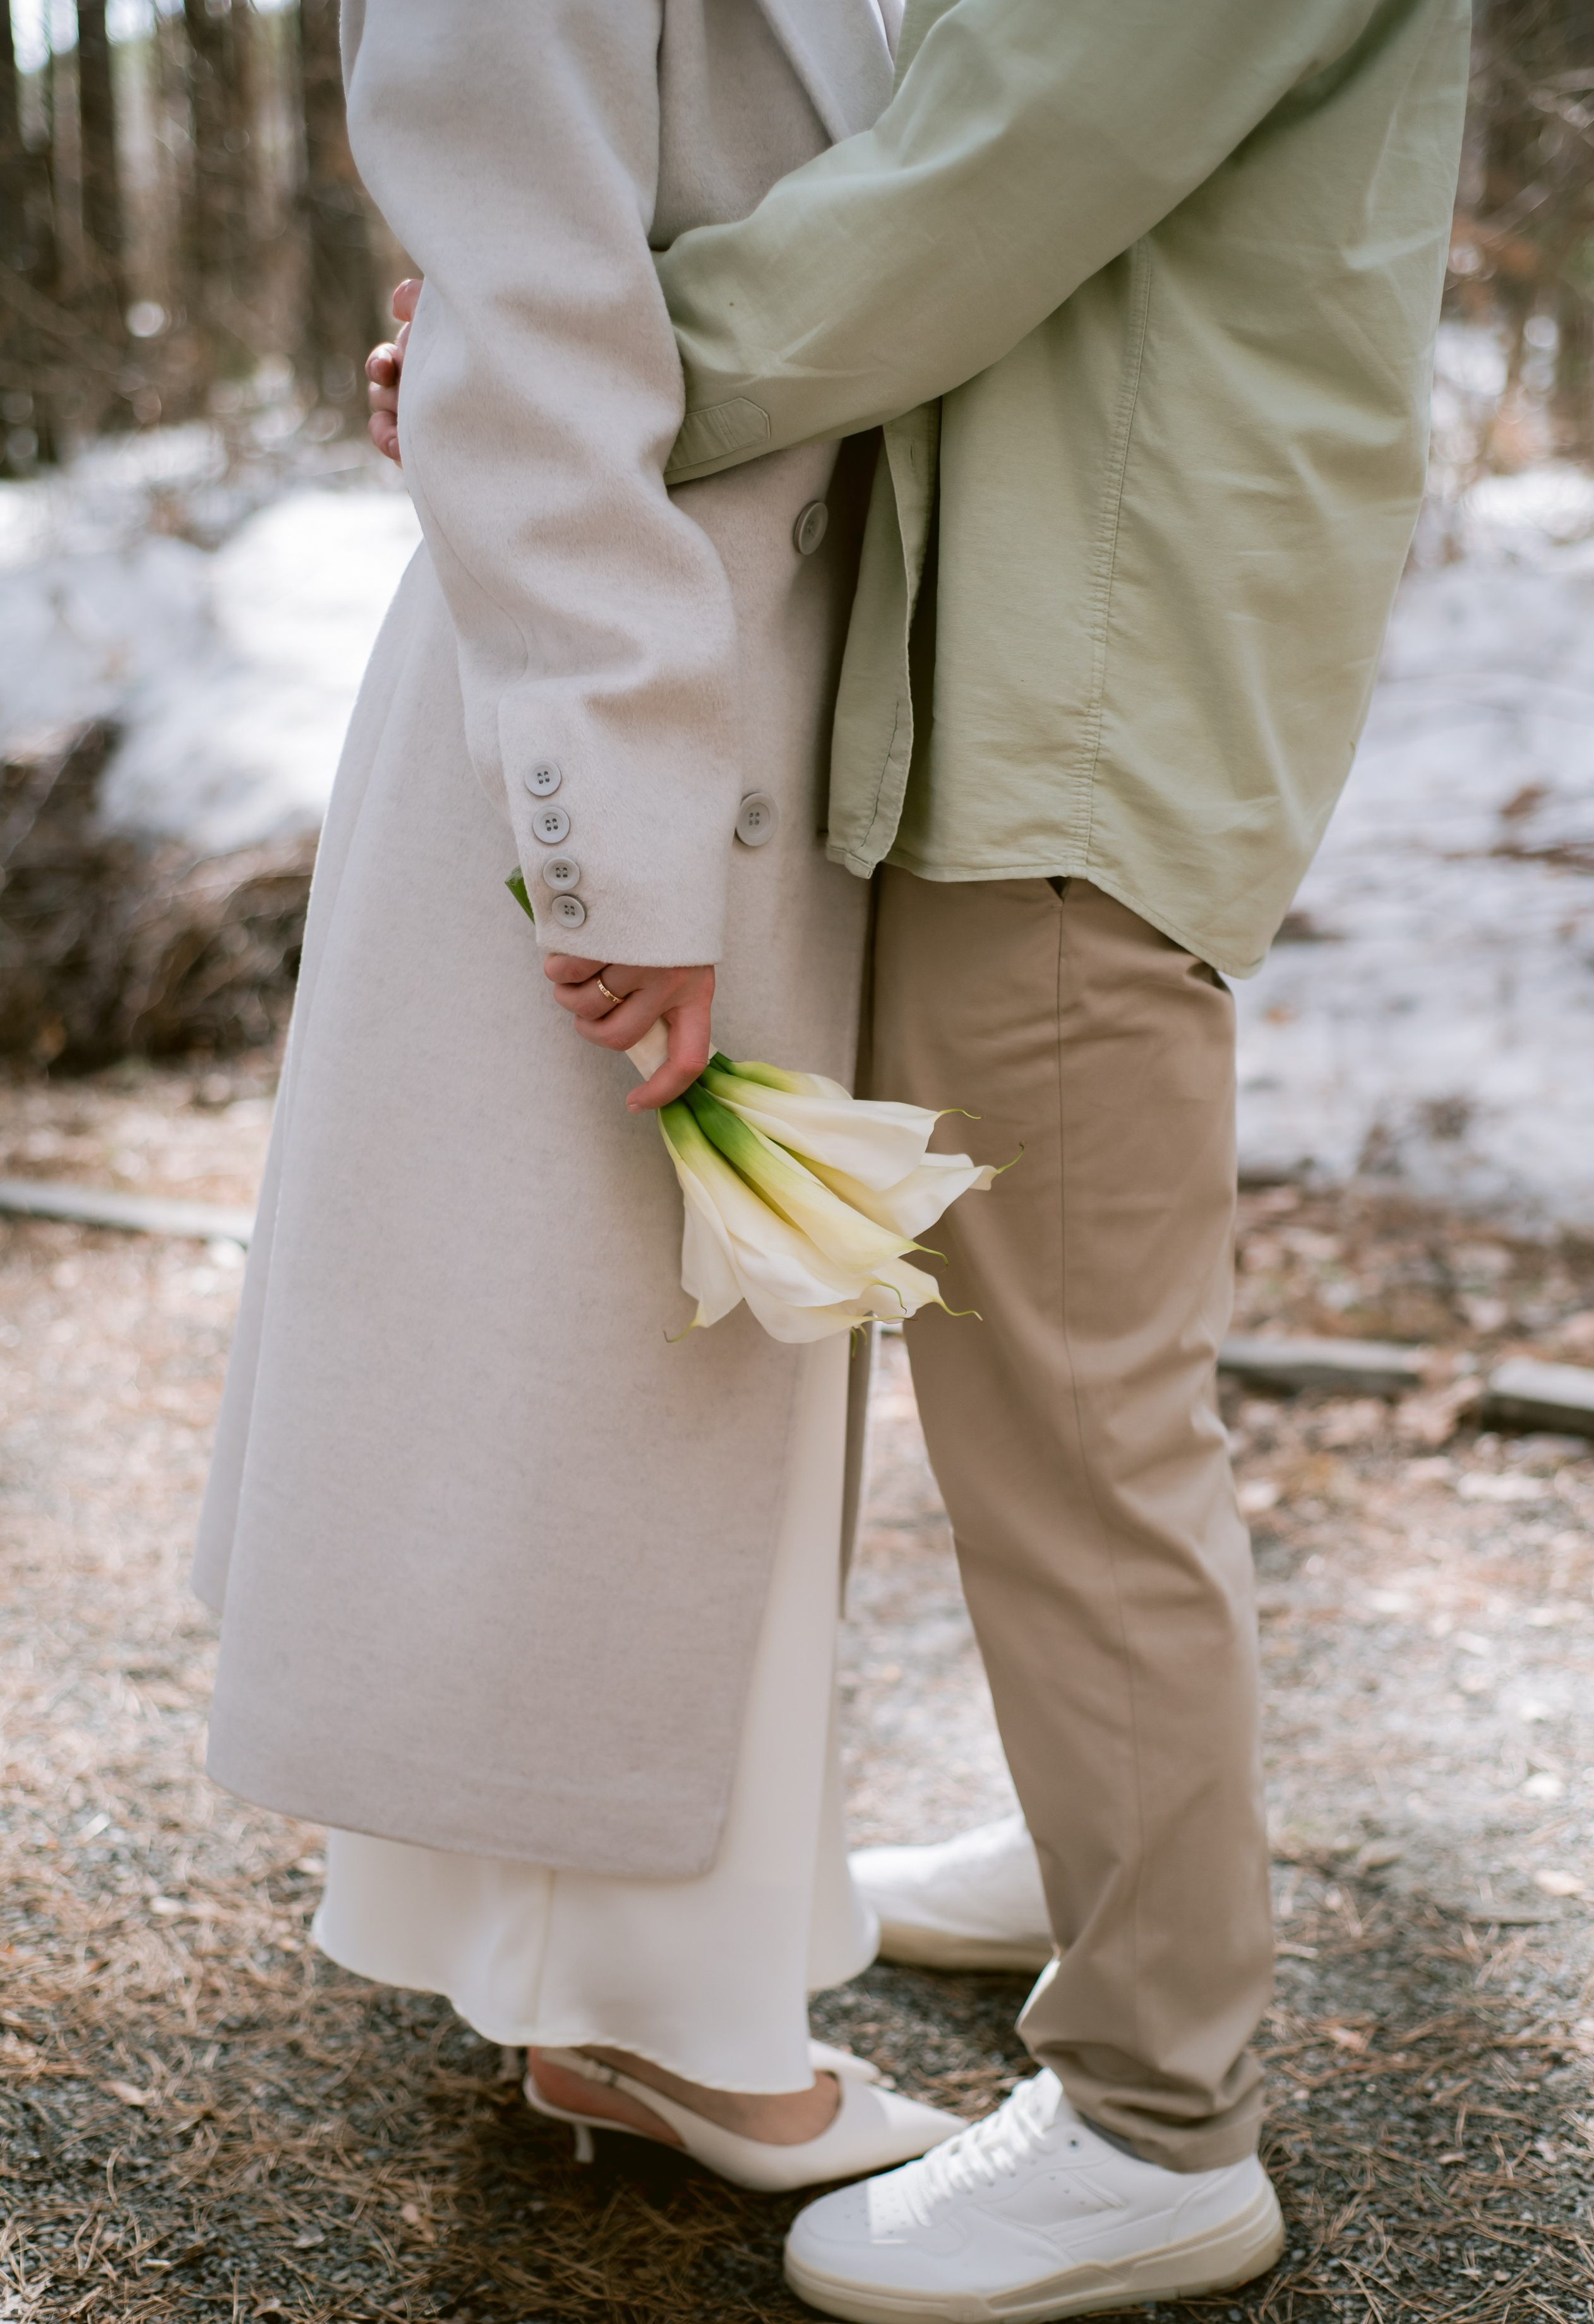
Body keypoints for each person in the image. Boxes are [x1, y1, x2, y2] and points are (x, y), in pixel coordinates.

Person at [370, 0, 1468, 2324]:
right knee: (1029, 1366)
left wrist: (558, 377)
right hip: (1046, 654)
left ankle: (1165, 2116)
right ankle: (1110, 1874)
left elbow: (988, 176)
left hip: (1084, 688)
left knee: (1073, 1413)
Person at [193, 0, 964, 2198]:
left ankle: (610, 1982)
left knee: (664, 1373)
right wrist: (618, 844)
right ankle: (673, 2018)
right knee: (626, 1369)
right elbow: (530, 289)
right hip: (629, 716)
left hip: (746, 696)